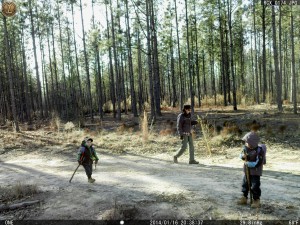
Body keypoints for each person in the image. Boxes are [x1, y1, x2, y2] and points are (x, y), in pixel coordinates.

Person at [237, 131, 263, 208]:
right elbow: (240, 155)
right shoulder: (245, 148)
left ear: (252, 143)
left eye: (247, 142)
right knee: (245, 184)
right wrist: (242, 156)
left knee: (255, 186)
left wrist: (251, 164)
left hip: (255, 172)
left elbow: (258, 162)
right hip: (247, 171)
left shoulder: (259, 151)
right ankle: (244, 197)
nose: (246, 144)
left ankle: (256, 200)